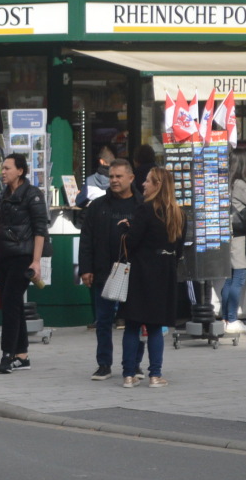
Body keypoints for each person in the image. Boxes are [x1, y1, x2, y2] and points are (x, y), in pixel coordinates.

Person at [118, 166, 183, 388]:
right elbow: (179, 248)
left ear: (157, 185)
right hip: (165, 272)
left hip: (142, 272)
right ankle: (155, 375)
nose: (143, 184)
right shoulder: (178, 212)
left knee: (132, 325)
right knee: (155, 326)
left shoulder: (145, 210)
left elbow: (133, 241)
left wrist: (127, 231)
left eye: (148, 181)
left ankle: (128, 374)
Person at [78, 159, 142, 380]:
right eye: (111, 176)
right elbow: (86, 239)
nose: (113, 181)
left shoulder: (141, 205)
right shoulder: (98, 206)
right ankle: (104, 363)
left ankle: (135, 364)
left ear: (131, 178)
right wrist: (86, 269)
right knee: (103, 320)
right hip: (104, 271)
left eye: (118, 176)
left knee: (135, 319)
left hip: (135, 272)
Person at [0, 153, 48, 374]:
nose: (3, 172)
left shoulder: (32, 195)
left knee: (11, 303)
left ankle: (8, 354)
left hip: (22, 257)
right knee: (11, 304)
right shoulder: (5, 194)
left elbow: (40, 230)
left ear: (20, 171)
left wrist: (36, 261)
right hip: (3, 256)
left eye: (7, 168)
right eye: (2, 168)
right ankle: (22, 355)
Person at [223, 148, 246, 334]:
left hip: (228, 236)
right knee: (239, 278)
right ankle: (232, 319)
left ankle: (226, 317)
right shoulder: (240, 185)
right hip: (239, 237)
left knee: (229, 280)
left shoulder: (227, 183)